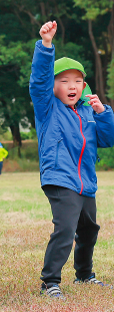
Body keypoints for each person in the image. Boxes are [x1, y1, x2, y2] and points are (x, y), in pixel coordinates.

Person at [30, 21, 114, 298]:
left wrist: (103, 114)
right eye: (64, 80)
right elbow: (40, 80)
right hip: (59, 177)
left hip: (85, 182)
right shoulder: (47, 108)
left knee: (89, 229)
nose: (71, 85)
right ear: (53, 87)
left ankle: (84, 275)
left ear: (84, 85)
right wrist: (45, 46)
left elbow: (107, 139)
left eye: (77, 81)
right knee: (65, 229)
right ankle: (49, 282)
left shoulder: (88, 112)